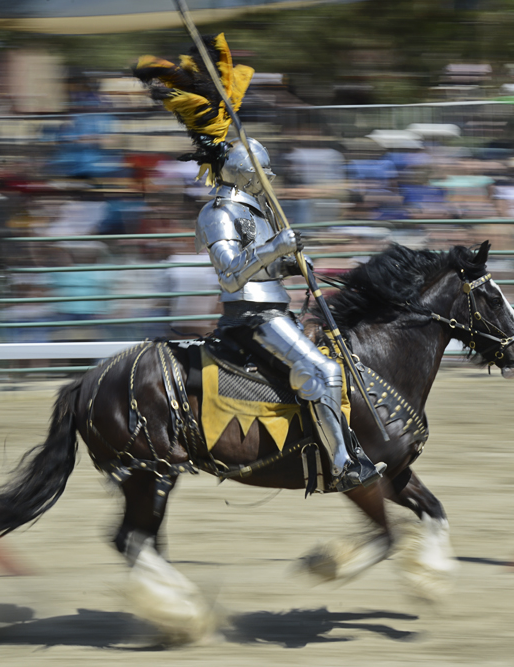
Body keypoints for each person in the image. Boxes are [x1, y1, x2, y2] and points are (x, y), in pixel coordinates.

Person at [133, 35, 383, 492]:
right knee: (324, 372)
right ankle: (344, 463)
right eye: (263, 171)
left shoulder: (257, 212)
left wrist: (291, 265)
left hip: (275, 308)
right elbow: (232, 275)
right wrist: (275, 249)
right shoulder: (217, 214)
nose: (270, 177)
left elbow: (263, 271)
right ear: (246, 172)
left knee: (341, 360)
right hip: (251, 319)